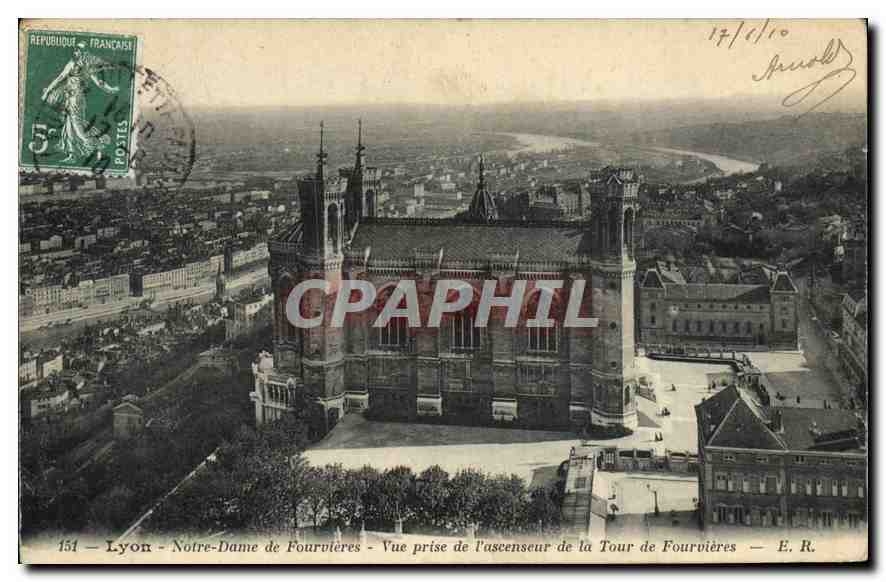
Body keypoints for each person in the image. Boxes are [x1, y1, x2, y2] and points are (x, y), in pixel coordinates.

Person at [40, 42, 119, 162]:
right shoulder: (78, 65)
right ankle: (72, 155)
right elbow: (60, 78)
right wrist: (111, 89)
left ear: (83, 53)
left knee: (78, 129)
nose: (76, 52)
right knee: (68, 128)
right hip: (70, 99)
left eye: (79, 50)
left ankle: (98, 145)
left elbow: (98, 82)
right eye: (76, 50)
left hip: (76, 100)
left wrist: (111, 89)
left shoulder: (80, 65)